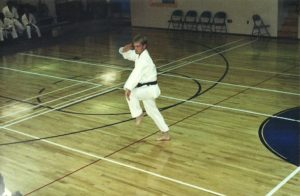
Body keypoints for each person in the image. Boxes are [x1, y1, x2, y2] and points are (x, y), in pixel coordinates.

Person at [119, 34, 170, 141]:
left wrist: (128, 88)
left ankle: (138, 114)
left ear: (144, 46)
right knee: (152, 111)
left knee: (131, 94)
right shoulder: (139, 55)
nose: (136, 48)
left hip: (149, 89)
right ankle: (165, 133)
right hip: (147, 90)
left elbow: (136, 73)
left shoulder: (144, 59)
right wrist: (125, 49)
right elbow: (128, 54)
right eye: (135, 46)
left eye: (138, 46)